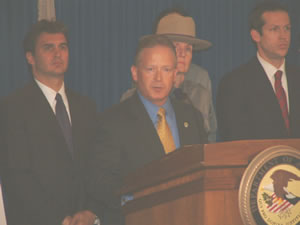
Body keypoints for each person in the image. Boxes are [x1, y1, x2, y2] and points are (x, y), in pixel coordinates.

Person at [87, 35, 208, 224]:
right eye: (151, 69)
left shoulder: (192, 117)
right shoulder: (112, 121)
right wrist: (138, 202)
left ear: (175, 74)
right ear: (135, 73)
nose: (159, 78)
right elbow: (101, 183)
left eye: (166, 69)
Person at [0, 20, 100, 225]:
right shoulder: (13, 108)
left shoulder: (86, 107)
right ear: (30, 57)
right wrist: (59, 219)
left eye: (63, 47)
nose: (58, 54)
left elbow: (98, 166)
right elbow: (17, 176)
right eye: (48, 48)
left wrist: (92, 211)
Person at [120, 8, 217, 142]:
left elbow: (210, 137)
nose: (182, 54)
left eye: (188, 48)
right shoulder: (133, 98)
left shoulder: (200, 93)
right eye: (176, 47)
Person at [216, 1, 300, 141]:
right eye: (274, 29)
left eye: (287, 28)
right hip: (258, 161)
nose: (283, 36)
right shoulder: (234, 84)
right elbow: (235, 141)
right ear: (256, 35)